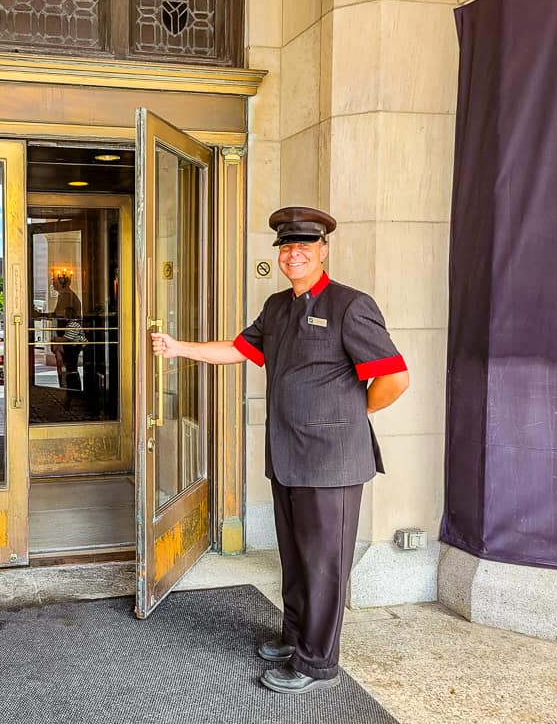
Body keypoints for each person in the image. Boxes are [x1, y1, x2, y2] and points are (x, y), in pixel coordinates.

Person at [151, 206, 409, 695]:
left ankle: (316, 663)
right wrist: (178, 347)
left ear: (323, 250)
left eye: (304, 246)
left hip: (331, 461)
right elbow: (238, 350)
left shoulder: (350, 305)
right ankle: (293, 637)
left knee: (324, 564)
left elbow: (395, 377)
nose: (293, 254)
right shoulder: (276, 307)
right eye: (286, 247)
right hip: (288, 455)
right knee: (294, 556)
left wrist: (349, 418)